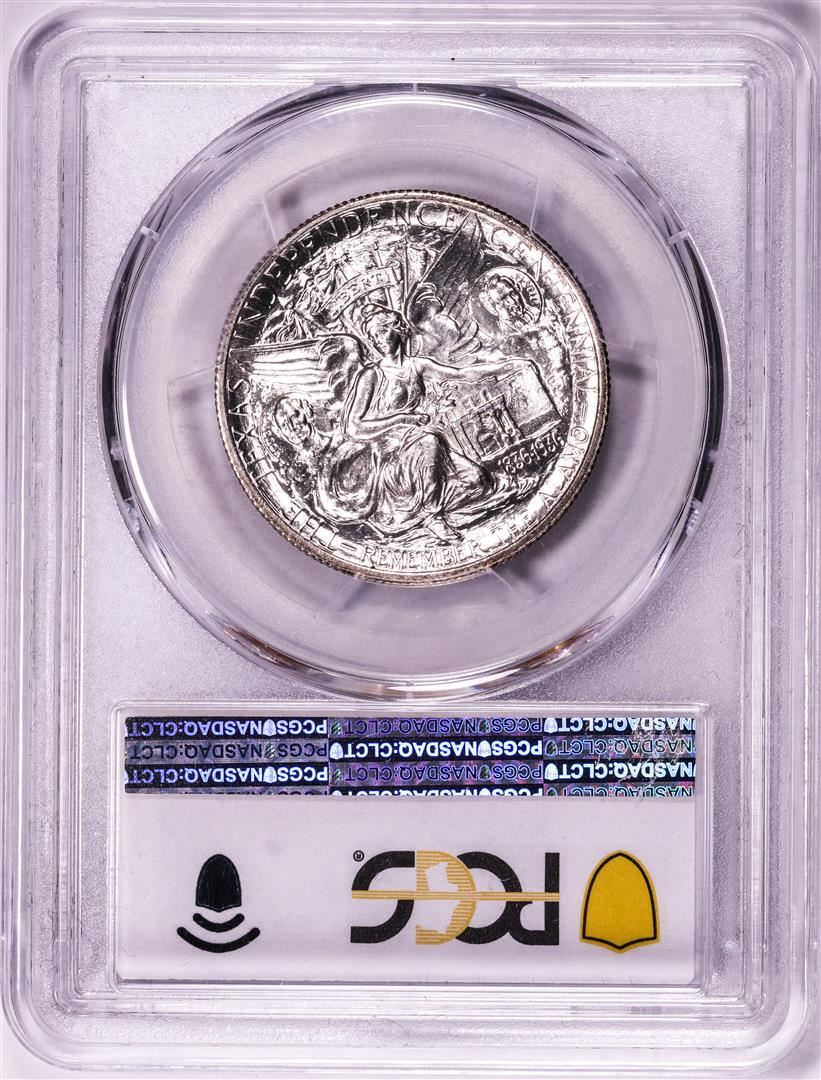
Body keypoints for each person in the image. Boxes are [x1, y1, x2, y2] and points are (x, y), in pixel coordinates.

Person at [315, 303, 500, 541]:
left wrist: (505, 367)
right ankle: (432, 515)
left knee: (479, 482)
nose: (377, 340)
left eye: (382, 332)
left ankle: (414, 514)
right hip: (388, 451)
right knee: (430, 440)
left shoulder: (417, 365)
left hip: (415, 442)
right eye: (373, 336)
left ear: (398, 329)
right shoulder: (371, 375)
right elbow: (354, 427)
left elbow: (459, 373)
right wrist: (402, 418)